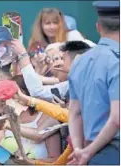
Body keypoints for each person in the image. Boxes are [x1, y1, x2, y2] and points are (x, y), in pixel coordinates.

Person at [68, 1, 120, 165]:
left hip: (92, 153)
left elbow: (74, 113)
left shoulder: (79, 62)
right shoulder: (116, 62)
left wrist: (79, 151)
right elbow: (117, 119)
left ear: (98, 27)